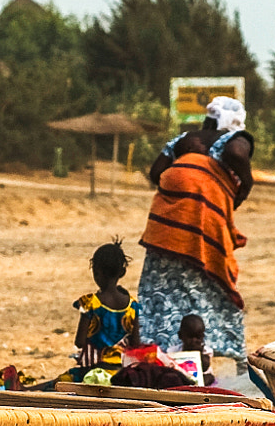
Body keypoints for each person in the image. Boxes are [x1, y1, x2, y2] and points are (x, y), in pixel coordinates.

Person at [137, 96, 253, 365]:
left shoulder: (185, 139)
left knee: (163, 290)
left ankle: (161, 351)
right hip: (201, 227)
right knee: (211, 287)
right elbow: (237, 153)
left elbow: (156, 172)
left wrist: (185, 174)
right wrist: (245, 184)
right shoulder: (235, 138)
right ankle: (217, 350)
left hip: (166, 227)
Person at [61, 241, 141, 382]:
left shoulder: (90, 303)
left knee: (59, 382)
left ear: (96, 272)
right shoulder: (133, 306)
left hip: (92, 371)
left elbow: (79, 342)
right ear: (122, 272)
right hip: (121, 373)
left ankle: (25, 390)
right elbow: (135, 344)